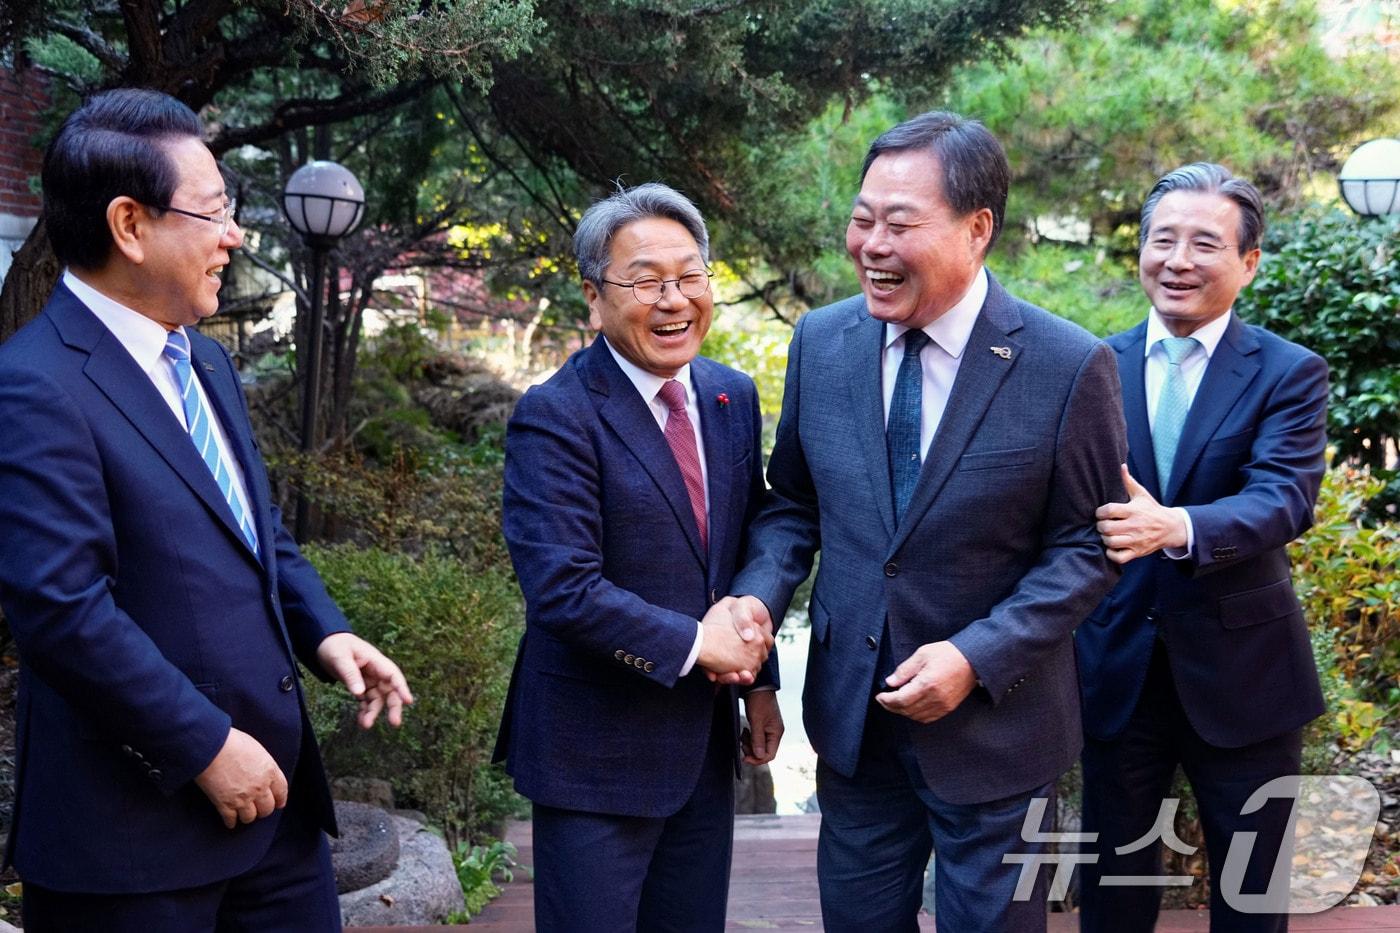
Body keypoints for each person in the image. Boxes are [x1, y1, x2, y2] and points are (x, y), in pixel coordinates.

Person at [0, 88, 414, 932]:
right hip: (135, 844)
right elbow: (63, 611)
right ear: (130, 224)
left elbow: (256, 530)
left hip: (278, 821)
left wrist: (324, 630)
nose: (234, 237)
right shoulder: (32, 384)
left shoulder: (206, 363)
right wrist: (205, 747)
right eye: (215, 211)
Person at [727, 110, 1126, 932]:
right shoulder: (823, 341)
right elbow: (793, 501)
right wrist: (761, 595)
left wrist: (977, 657)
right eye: (862, 218)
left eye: (899, 223)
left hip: (999, 731)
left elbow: (1087, 546)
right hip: (855, 723)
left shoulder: (1067, 364)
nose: (870, 244)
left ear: (977, 229)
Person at [492, 182, 782, 932]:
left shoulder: (730, 396)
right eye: (647, 281)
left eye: (689, 277)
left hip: (702, 747)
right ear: (594, 298)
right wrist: (696, 643)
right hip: (595, 755)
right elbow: (562, 588)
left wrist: (758, 681)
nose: (673, 299)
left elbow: (745, 546)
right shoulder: (555, 416)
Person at [1076, 163, 1328, 932]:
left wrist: (1176, 526)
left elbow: (1283, 497)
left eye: (1204, 243)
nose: (1178, 260)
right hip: (1116, 669)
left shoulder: (1289, 372)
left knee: (1254, 896)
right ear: (1142, 253)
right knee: (1111, 896)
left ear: (1248, 263)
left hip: (1246, 677)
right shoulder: (1088, 366)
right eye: (1163, 240)